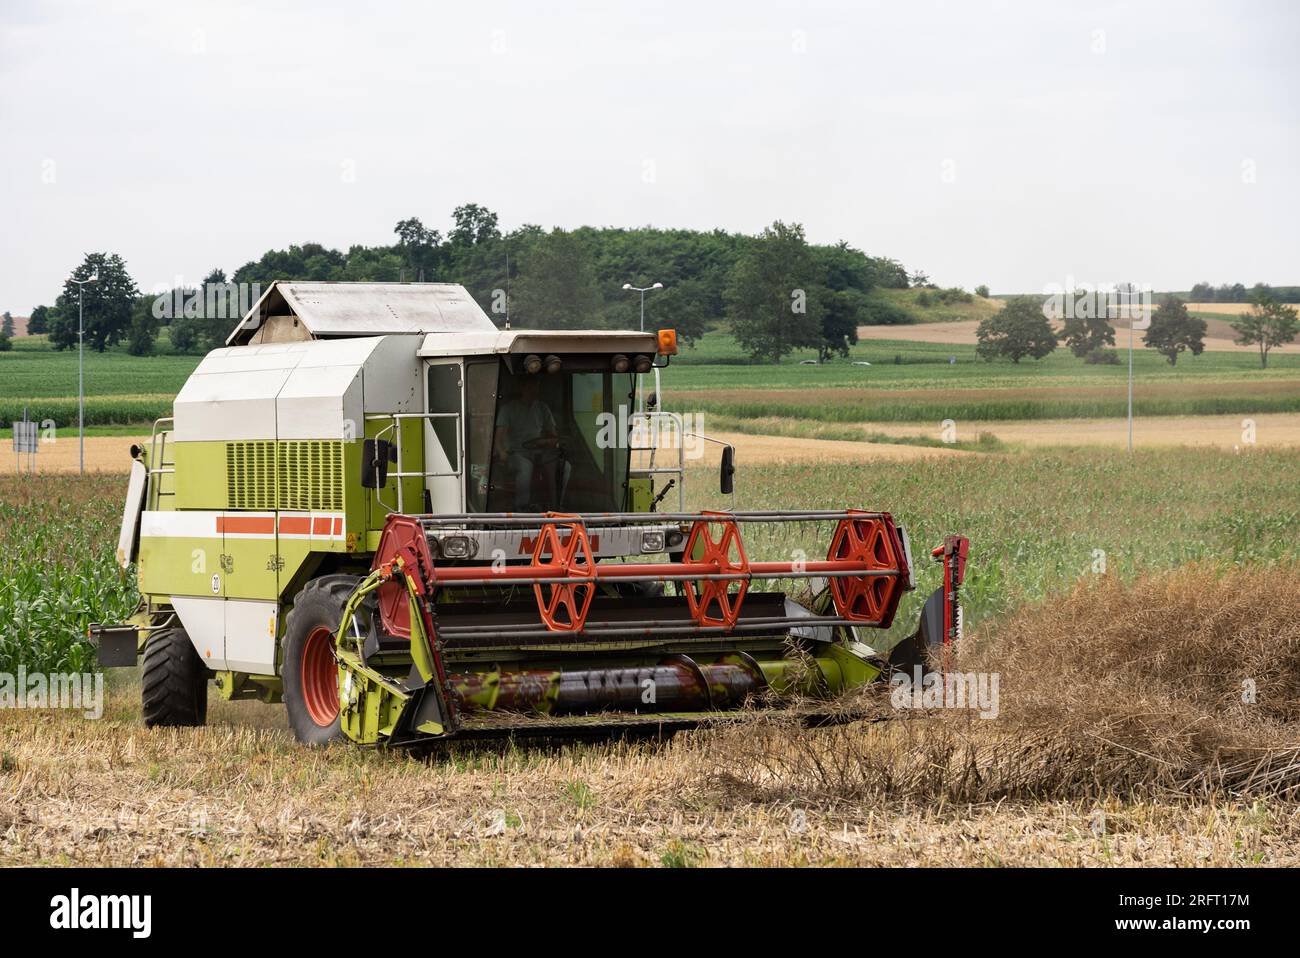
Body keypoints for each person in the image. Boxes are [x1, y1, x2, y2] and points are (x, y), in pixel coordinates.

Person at [493, 376, 559, 510]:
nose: (534, 391)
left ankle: (556, 506)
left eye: (536, 387)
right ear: (522, 388)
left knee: (563, 467)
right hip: (516, 453)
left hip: (541, 452)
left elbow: (553, 436)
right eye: (530, 387)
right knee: (525, 468)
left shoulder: (542, 408)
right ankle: (522, 508)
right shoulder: (508, 409)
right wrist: (501, 452)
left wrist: (546, 442)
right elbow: (499, 437)